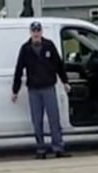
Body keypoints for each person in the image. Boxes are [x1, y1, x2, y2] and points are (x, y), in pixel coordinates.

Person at [12, 21, 71, 159]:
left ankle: (58, 147)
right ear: (30, 32)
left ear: (41, 32)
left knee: (54, 119)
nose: (36, 33)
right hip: (34, 90)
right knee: (37, 121)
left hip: (49, 87)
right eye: (34, 31)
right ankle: (41, 149)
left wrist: (65, 81)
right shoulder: (25, 49)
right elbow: (19, 70)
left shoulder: (49, 46)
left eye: (38, 30)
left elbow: (59, 65)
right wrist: (15, 90)